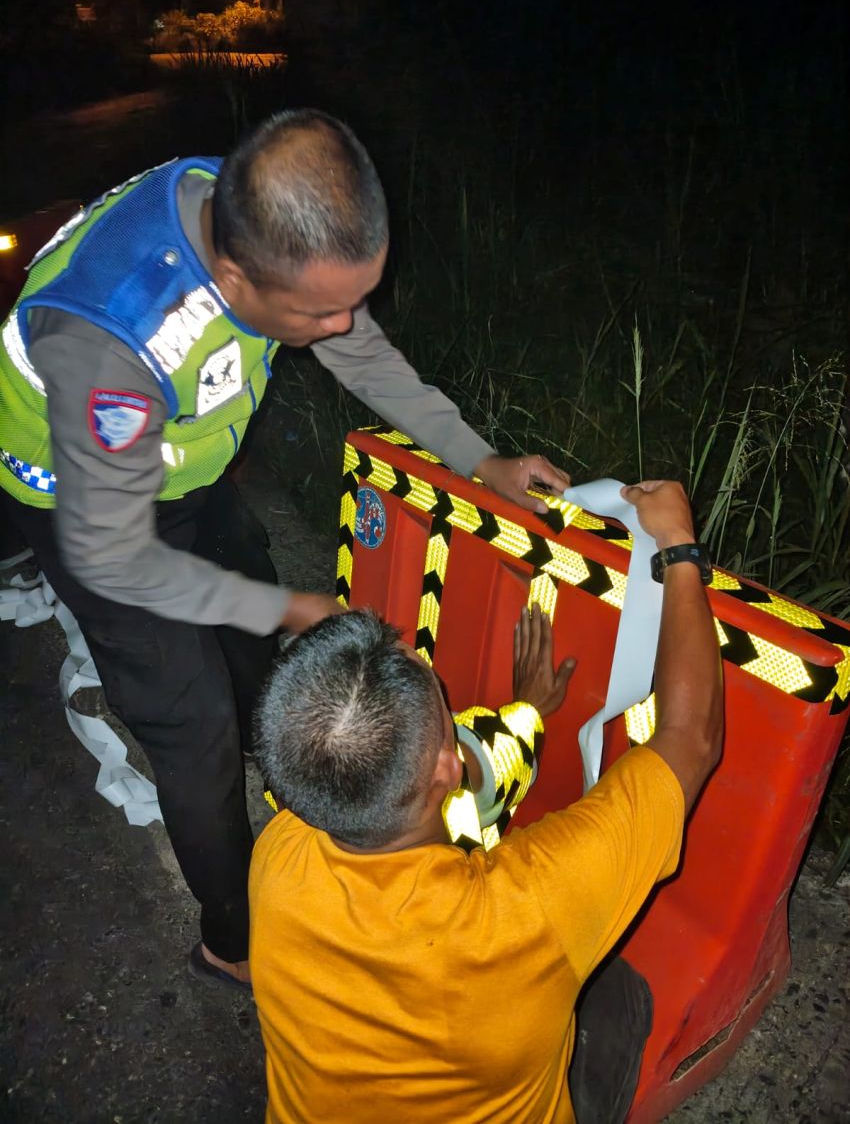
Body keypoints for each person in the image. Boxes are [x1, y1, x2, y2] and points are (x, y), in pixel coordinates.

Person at [0, 109, 570, 987]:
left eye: (356, 298)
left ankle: (302, 780)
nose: (345, 327)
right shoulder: (112, 339)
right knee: (193, 724)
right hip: (87, 502)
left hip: (177, 467)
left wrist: (480, 458)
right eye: (322, 311)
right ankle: (231, 938)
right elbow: (118, 553)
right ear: (233, 277)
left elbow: (367, 356)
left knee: (246, 593)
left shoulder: (258, 213)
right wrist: (294, 607)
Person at [249, 480, 723, 1124]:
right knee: (618, 996)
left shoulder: (278, 855)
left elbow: (457, 783)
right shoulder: (529, 910)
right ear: (449, 766)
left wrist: (523, 714)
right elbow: (690, 740)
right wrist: (678, 547)